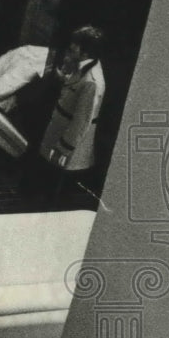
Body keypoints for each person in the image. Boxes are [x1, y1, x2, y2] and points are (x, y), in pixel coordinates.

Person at [25, 26, 107, 209]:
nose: (71, 47)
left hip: (67, 140)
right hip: (59, 129)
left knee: (55, 186)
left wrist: (64, 147)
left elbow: (81, 121)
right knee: (47, 177)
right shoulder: (84, 69)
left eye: (75, 46)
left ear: (85, 51)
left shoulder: (92, 82)